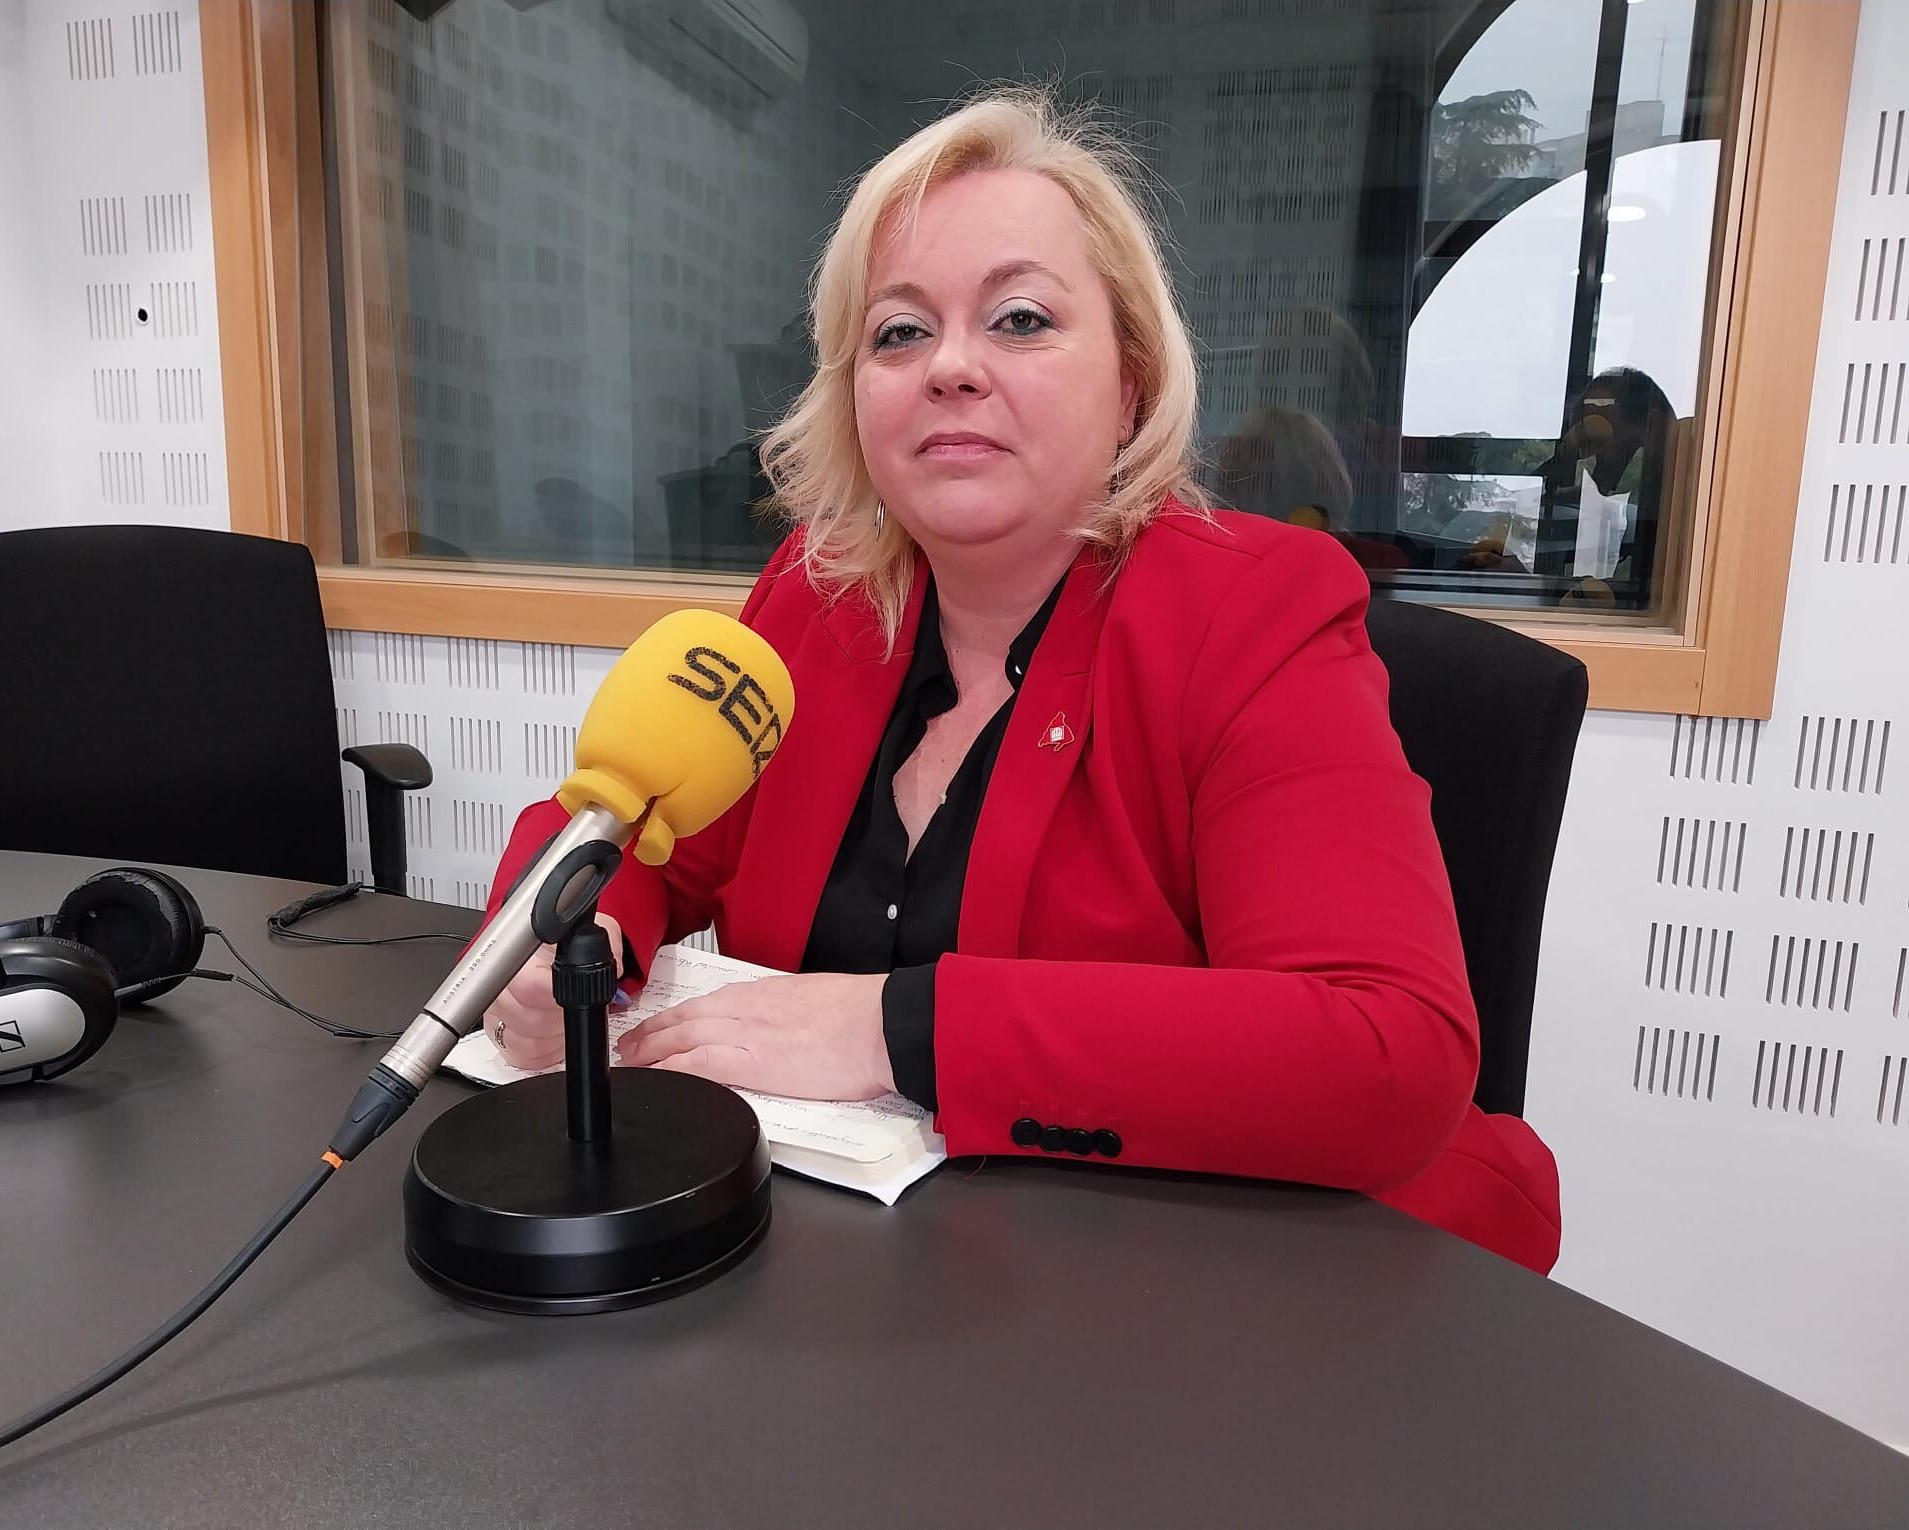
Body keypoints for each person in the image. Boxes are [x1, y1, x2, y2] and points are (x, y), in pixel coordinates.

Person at [478, 88, 1561, 1274]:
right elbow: (635, 831)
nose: (949, 366)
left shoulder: (1255, 611)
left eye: (1022, 319)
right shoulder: (815, 596)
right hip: (831, 1285)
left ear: (1131, 386)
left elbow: (1381, 1052)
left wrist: (894, 1028)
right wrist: (554, 945)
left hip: (1159, 1301)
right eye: (898, 333)